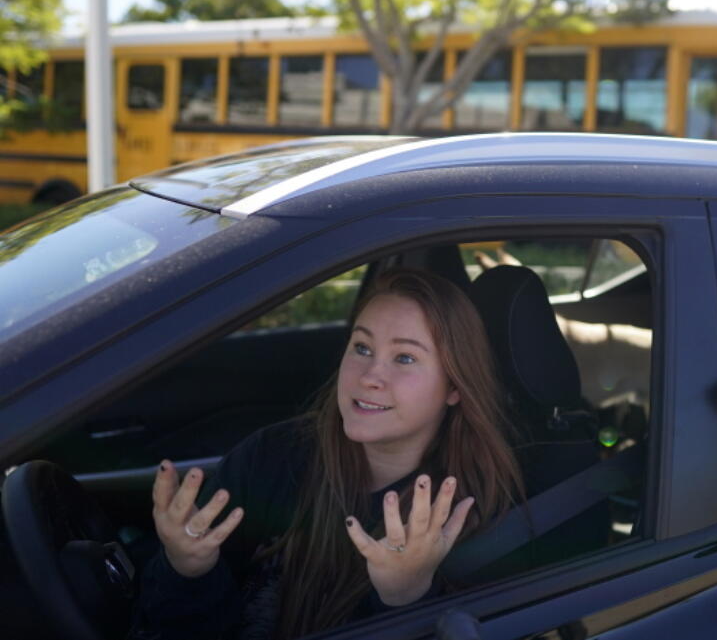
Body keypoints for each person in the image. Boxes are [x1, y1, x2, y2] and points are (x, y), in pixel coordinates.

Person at [132, 268, 524, 640]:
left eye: (404, 358)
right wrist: (188, 568)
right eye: (362, 347)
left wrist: (407, 599)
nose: (369, 375)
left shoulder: (476, 512)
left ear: (455, 387)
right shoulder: (274, 456)